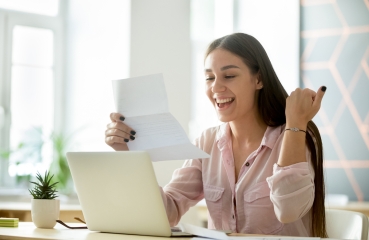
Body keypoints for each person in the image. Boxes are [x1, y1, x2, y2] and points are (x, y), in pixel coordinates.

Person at [105, 33, 327, 237]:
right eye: (209, 78)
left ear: (258, 80)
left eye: (229, 76)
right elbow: (167, 212)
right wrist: (128, 155)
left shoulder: (293, 137)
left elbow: (289, 210)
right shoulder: (208, 142)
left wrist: (296, 123)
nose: (216, 88)